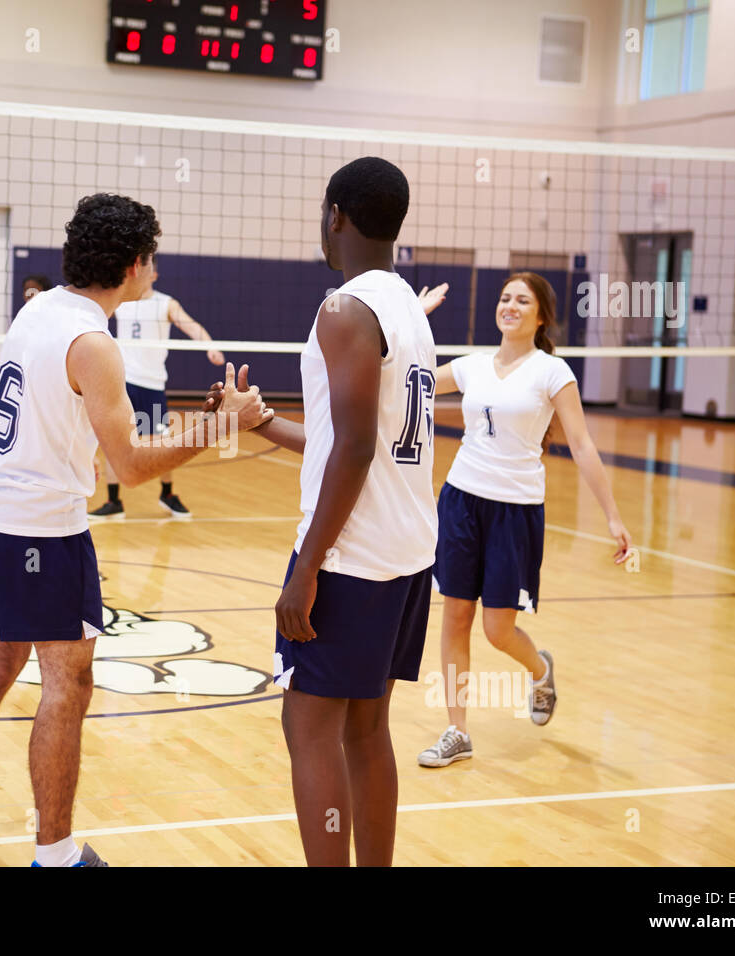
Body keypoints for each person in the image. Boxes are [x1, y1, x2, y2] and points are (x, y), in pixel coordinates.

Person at [0, 193, 270, 867]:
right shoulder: (95, 345)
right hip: (40, 533)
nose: (157, 273)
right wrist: (225, 426)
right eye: (153, 260)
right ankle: (56, 854)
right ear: (132, 265)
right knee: (67, 684)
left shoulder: (37, 310)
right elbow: (131, 468)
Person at [218, 157, 437, 867]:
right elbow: (348, 438)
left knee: (309, 727)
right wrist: (265, 426)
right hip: (405, 555)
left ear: (335, 215)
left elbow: (358, 448)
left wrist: (307, 566)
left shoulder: (344, 309)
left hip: (350, 558)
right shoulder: (405, 306)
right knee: (366, 731)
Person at [416, 272, 633, 768]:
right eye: (504, 298)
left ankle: (539, 670)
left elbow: (581, 445)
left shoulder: (552, 372)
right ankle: (457, 730)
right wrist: (414, 317)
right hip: (461, 501)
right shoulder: (472, 367)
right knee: (454, 617)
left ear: (540, 316)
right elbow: (412, 373)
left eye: (521, 300)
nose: (509, 306)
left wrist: (613, 517)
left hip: (515, 511)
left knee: (497, 630)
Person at [88, 258, 225, 520]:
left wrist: (209, 346)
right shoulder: (121, 301)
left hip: (152, 384)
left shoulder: (166, 303)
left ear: (153, 275)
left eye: (145, 269)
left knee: (162, 442)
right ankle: (113, 501)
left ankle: (167, 494)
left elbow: (191, 325)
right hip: (123, 381)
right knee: (114, 441)